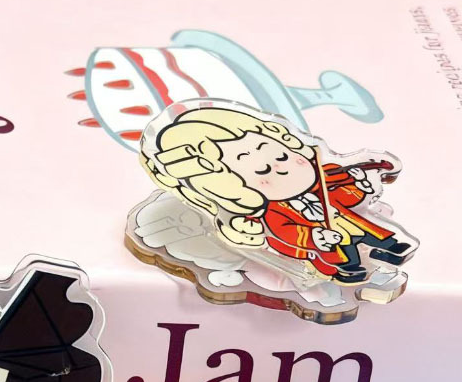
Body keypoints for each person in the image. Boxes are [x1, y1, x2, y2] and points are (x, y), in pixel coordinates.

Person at [143, 106, 411, 283]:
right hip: (322, 241)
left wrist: (360, 184)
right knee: (344, 252)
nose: (281, 168)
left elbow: (345, 197)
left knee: (367, 233)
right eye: (263, 170)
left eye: (282, 156)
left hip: (347, 221)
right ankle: (349, 269)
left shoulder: (323, 180)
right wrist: (315, 237)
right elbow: (286, 232)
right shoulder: (271, 212)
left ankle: (390, 248)